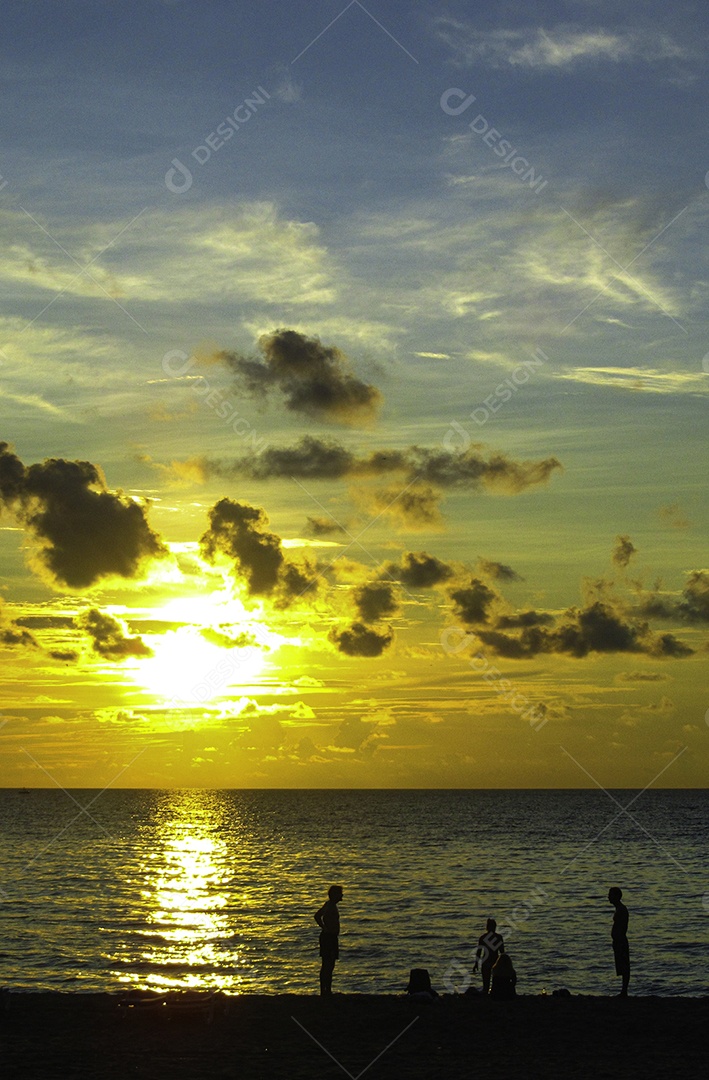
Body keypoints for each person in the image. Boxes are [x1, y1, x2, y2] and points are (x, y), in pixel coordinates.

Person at [314, 884, 343, 995]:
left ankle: (326, 990)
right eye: (340, 893)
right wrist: (325, 928)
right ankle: (326, 990)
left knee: (329, 964)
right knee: (328, 964)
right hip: (329, 937)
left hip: (331, 937)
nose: (342, 895)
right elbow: (317, 916)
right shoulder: (330, 905)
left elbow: (317, 916)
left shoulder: (329, 905)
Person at [472, 918, 504, 995]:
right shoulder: (498, 937)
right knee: (495, 983)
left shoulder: (483, 938)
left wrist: (476, 963)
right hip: (495, 962)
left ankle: (487, 995)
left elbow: (479, 952)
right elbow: (502, 952)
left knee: (486, 985)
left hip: (486, 962)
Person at [608, 887, 630, 996]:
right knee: (621, 965)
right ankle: (623, 990)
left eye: (610, 895)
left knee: (624, 965)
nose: (608, 897)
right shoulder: (619, 909)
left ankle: (624, 991)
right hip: (618, 940)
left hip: (621, 940)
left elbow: (622, 927)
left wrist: (618, 939)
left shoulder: (622, 909)